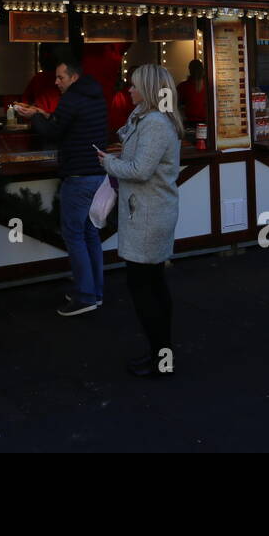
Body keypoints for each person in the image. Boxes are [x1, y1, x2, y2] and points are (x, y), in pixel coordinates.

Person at [98, 64, 182, 379]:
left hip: (148, 214)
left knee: (144, 288)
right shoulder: (147, 118)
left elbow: (139, 170)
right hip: (146, 211)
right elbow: (132, 147)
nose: (128, 90)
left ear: (147, 89)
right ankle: (161, 354)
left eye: (133, 86)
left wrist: (109, 163)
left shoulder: (157, 123)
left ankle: (161, 357)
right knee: (153, 284)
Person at [15, 52, 108, 316]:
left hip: (78, 178)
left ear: (74, 77)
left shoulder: (71, 98)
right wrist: (42, 112)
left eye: (60, 77)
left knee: (74, 236)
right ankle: (94, 290)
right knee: (90, 234)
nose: (56, 82)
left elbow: (52, 132)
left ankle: (86, 295)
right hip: (97, 175)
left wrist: (32, 117)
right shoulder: (94, 96)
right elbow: (65, 122)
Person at [22, 44, 62, 116]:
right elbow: (26, 100)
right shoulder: (38, 78)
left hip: (50, 118)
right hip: (45, 118)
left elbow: (26, 99)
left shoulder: (39, 78)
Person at [177, 59, 208, 127]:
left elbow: (177, 104)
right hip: (206, 122)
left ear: (190, 70)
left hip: (191, 122)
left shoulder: (183, 86)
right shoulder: (209, 85)